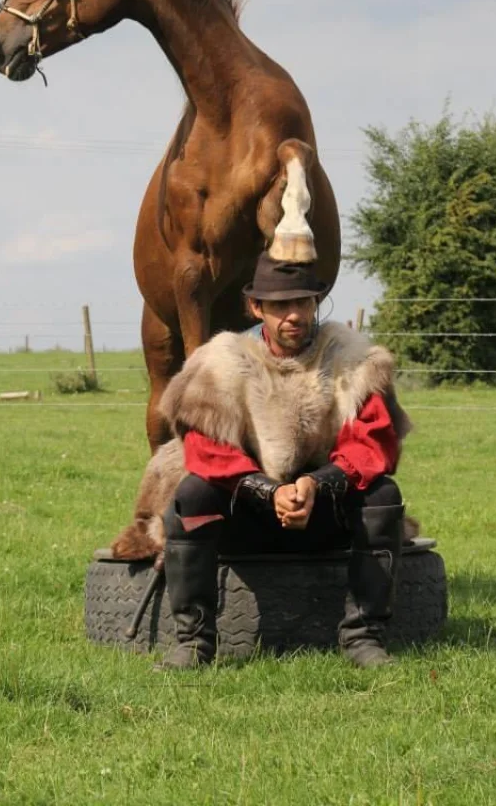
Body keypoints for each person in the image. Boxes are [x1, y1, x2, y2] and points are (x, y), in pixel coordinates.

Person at [133, 252, 412, 670]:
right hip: (244, 517)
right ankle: (193, 642)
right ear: (256, 307)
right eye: (280, 305)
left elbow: (373, 445)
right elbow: (208, 453)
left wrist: (319, 484)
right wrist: (270, 491)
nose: (293, 315)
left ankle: (364, 638)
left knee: (384, 496)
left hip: (325, 517)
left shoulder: (352, 359)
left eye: (302, 302)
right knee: (190, 495)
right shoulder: (222, 362)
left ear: (316, 302)